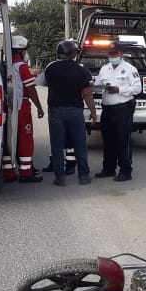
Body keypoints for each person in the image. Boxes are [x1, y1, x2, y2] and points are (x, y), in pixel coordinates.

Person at [37, 39, 96, 186]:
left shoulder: (50, 67)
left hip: (55, 110)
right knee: (80, 144)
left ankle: (60, 177)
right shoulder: (81, 69)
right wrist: (93, 112)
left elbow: (41, 83)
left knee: (56, 146)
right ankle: (83, 176)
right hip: (75, 110)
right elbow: (87, 93)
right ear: (73, 53)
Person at [93, 42, 142, 181]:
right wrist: (93, 87)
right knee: (108, 140)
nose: (112, 56)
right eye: (110, 54)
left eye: (114, 54)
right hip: (107, 109)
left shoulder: (129, 69)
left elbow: (137, 88)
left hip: (123, 108)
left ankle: (125, 170)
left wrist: (119, 89)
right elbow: (98, 86)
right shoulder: (105, 69)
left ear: (121, 54)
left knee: (123, 140)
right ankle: (108, 168)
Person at [2, 35, 44, 183]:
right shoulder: (22, 66)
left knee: (8, 138)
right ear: (20, 51)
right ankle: (26, 173)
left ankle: (8, 173)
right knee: (25, 138)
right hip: (22, 106)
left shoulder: (4, 65)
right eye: (25, 50)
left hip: (7, 107)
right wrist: (39, 107)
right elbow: (31, 89)